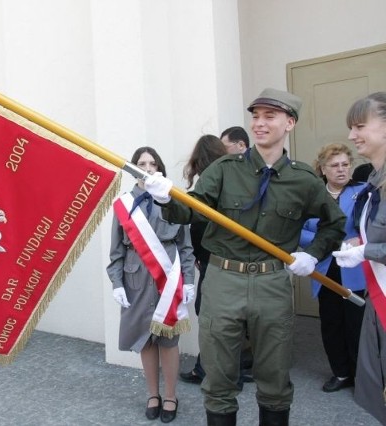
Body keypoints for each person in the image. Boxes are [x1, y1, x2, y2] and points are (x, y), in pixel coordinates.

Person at [145, 88, 346, 425]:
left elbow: (335, 223)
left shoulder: (303, 179)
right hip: (224, 281)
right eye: (255, 116)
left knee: (275, 378)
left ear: (290, 123)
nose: (259, 123)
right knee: (219, 379)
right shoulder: (225, 169)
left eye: (269, 116)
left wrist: (312, 254)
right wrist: (166, 198)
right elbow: (192, 211)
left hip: (272, 283)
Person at [107, 147, 196, 423]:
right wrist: (117, 283)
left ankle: (170, 396)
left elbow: (186, 246)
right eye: (141, 164)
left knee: (168, 340)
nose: (147, 168)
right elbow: (116, 251)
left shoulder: (173, 200)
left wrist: (189, 281)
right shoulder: (123, 203)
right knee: (145, 339)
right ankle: (152, 395)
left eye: (152, 163)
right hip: (136, 278)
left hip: (168, 277)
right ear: (133, 169)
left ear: (160, 168)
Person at [179, 134, 254, 389]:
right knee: (235, 317)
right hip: (237, 262)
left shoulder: (202, 193)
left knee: (210, 318)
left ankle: (210, 370)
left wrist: (199, 258)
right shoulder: (237, 185)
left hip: (212, 263)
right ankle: (236, 368)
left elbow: (196, 227)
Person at [333, 92, 386, 424]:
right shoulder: (372, 182)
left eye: (360, 126)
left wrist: (365, 251)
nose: (352, 136)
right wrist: (355, 241)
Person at [300, 143, 366, 393]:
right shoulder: (312, 196)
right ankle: (340, 373)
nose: (341, 170)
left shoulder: (363, 192)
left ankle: (361, 377)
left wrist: (360, 240)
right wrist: (330, 241)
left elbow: (372, 228)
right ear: (323, 169)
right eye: (335, 166)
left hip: (355, 269)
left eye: (345, 165)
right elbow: (300, 231)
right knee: (331, 323)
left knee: (356, 325)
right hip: (325, 268)